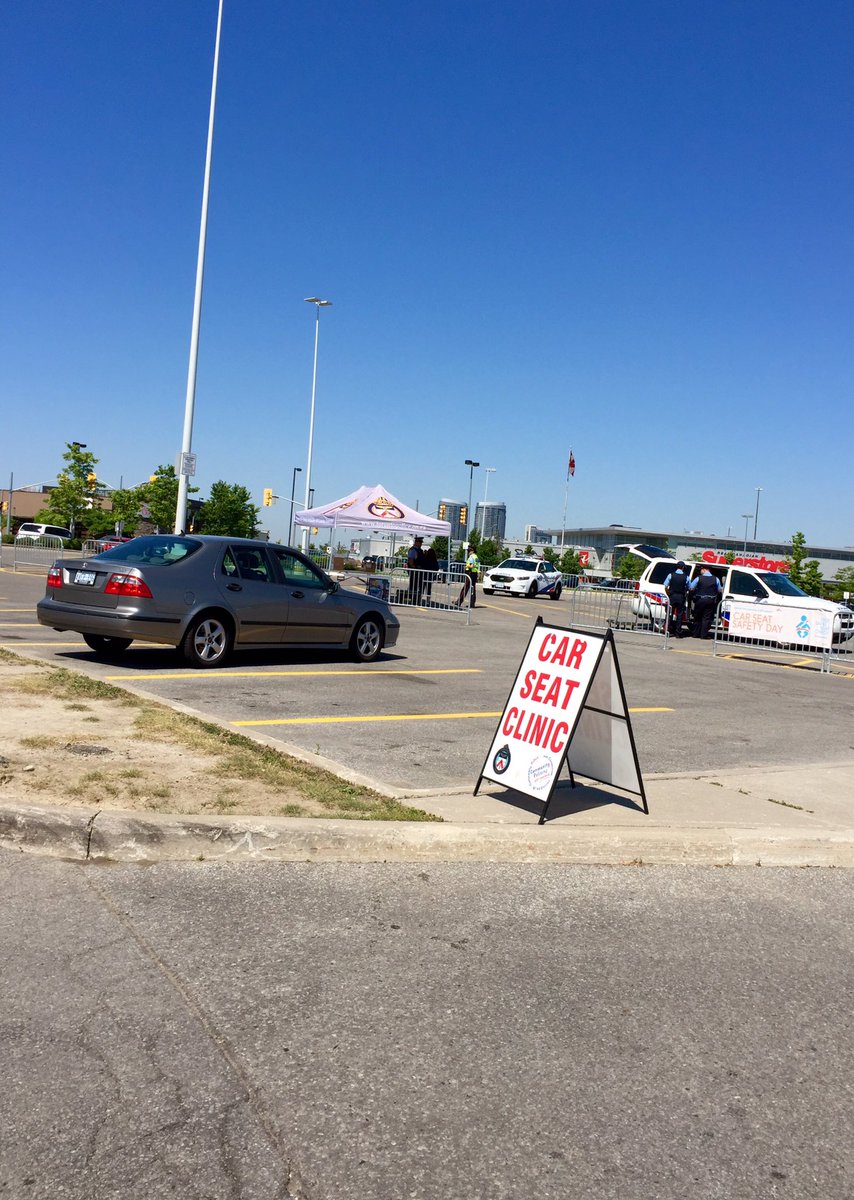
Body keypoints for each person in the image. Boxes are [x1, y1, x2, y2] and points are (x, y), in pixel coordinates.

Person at [689, 565, 722, 639]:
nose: (700, 571)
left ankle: (695, 634)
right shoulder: (716, 579)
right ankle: (703, 635)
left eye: (701, 570)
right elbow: (719, 589)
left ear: (704, 569)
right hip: (710, 600)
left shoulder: (698, 578)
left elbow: (691, 588)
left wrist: (694, 593)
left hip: (700, 600)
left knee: (697, 617)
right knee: (706, 618)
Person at [663, 560, 690, 638]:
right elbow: (689, 587)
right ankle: (678, 633)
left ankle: (667, 631)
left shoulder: (670, 575)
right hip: (681, 597)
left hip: (672, 596)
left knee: (669, 614)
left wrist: (668, 593)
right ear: (683, 568)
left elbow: (665, 586)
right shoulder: (686, 577)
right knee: (679, 615)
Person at [407, 535, 426, 603]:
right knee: (414, 585)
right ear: (416, 542)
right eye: (420, 542)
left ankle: (417, 599)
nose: (421, 544)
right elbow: (411, 560)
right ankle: (412, 599)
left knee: (419, 585)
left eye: (421, 542)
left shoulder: (420, 550)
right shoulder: (413, 550)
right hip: (415, 571)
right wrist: (414, 569)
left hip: (419, 571)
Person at [465, 544, 481, 608]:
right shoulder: (476, 557)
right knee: (473, 589)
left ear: (472, 551)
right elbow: (478, 565)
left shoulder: (471, 557)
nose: (468, 552)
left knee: (466, 588)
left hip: (470, 573)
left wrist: (466, 566)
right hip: (474, 574)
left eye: (469, 551)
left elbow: (471, 566)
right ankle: (472, 603)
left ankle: (459, 601)